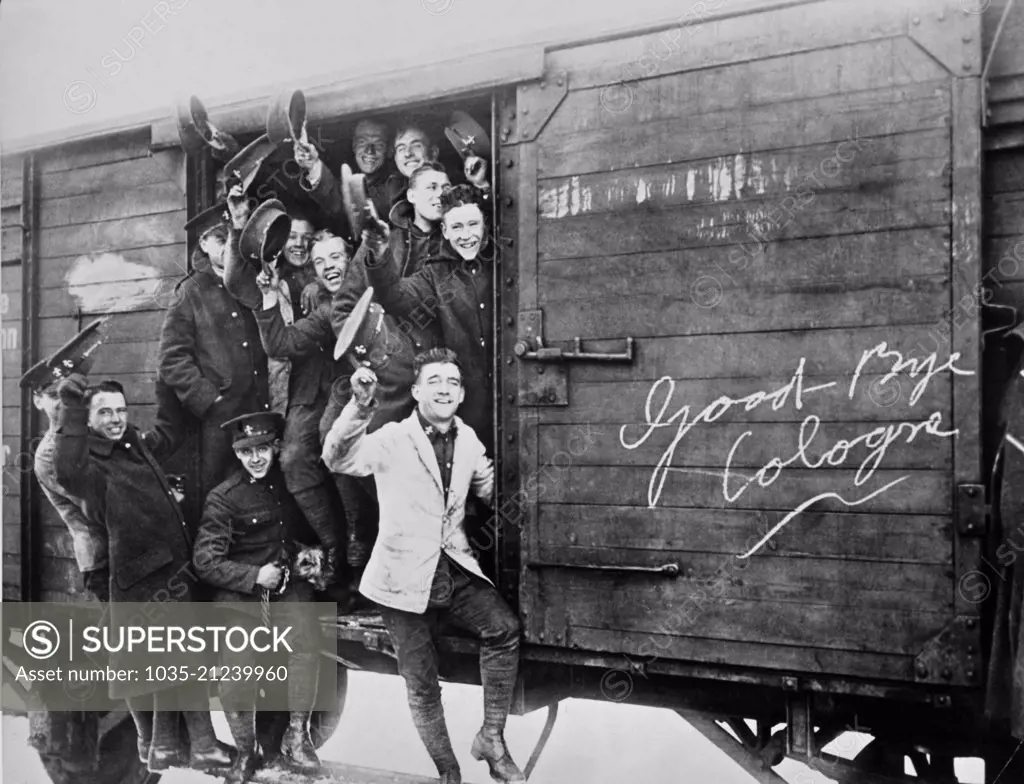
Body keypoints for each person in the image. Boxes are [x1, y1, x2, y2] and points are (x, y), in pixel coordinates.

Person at [322, 349, 523, 784]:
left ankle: (492, 737)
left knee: (503, 628)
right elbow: (337, 459)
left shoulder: (469, 441)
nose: (445, 388)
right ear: (415, 392)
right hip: (399, 580)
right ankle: (449, 771)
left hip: (452, 569)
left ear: (462, 393)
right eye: (434, 381)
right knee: (422, 684)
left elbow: (489, 487)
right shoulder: (393, 438)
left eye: (453, 381)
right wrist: (359, 406)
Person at [53, 373, 233, 774]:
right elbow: (66, 470)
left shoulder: (132, 444)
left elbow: (166, 436)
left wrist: (167, 386)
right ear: (90, 419)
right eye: (105, 412)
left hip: (165, 570)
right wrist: (71, 406)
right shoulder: (91, 465)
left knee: (167, 663)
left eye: (120, 410)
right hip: (144, 579)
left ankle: (160, 747)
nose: (115, 419)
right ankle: (197, 746)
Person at [252, 232, 419, 601]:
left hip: (402, 397)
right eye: (320, 262)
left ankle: (381, 547)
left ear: (352, 258)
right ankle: (344, 549)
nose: (330, 267)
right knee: (323, 455)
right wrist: (268, 298)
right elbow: (282, 344)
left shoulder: (384, 291)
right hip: (354, 396)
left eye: (336, 257)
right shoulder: (329, 310)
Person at [193, 412, 324, 783]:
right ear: (237, 454)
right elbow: (205, 561)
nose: (256, 458)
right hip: (240, 596)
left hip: (286, 588)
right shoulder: (224, 498)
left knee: (306, 644)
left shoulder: (289, 486)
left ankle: (297, 738)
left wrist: (310, 555)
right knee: (236, 674)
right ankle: (247, 751)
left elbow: (306, 530)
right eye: (247, 451)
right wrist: (254, 576)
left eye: (263, 449)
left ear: (274, 447)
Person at [362, 184, 494, 452]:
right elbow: (395, 297)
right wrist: (379, 255)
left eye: (473, 225)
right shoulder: (434, 274)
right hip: (466, 410)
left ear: (485, 225)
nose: (466, 235)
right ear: (444, 231)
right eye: (456, 227)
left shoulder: (506, 262)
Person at [158, 201, 270, 501]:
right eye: (219, 239)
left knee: (264, 487)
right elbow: (171, 358)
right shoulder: (190, 291)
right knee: (219, 491)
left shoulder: (253, 280)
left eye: (230, 237)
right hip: (219, 417)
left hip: (259, 405)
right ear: (204, 243)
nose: (227, 246)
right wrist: (209, 398)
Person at [329, 162, 450, 356]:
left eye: (446, 189)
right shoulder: (381, 242)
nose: (440, 195)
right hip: (390, 367)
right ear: (411, 196)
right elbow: (343, 311)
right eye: (431, 187)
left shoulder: (455, 245)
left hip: (439, 371)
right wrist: (371, 354)